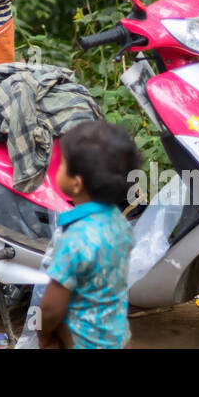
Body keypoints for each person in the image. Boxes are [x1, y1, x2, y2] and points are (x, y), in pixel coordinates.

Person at [37, 120, 140, 349]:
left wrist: (42, 332)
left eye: (62, 163)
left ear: (76, 183)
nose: (58, 168)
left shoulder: (76, 239)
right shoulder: (120, 224)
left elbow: (51, 308)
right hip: (117, 337)